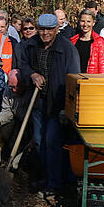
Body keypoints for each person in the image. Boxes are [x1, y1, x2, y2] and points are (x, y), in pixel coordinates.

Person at [17, 13, 80, 196]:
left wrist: (67, 108)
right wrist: (32, 74)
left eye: (49, 30)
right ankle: (46, 176)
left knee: (52, 142)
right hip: (37, 101)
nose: (45, 33)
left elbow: (74, 79)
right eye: (42, 29)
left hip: (57, 103)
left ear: (56, 29)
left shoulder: (67, 49)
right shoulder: (31, 45)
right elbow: (23, 64)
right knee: (38, 141)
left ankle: (55, 183)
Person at [70, 9, 104, 74]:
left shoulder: (98, 41)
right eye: (82, 21)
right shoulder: (73, 41)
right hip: (75, 78)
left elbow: (102, 66)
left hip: (91, 80)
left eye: (88, 21)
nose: (85, 24)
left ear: (93, 23)